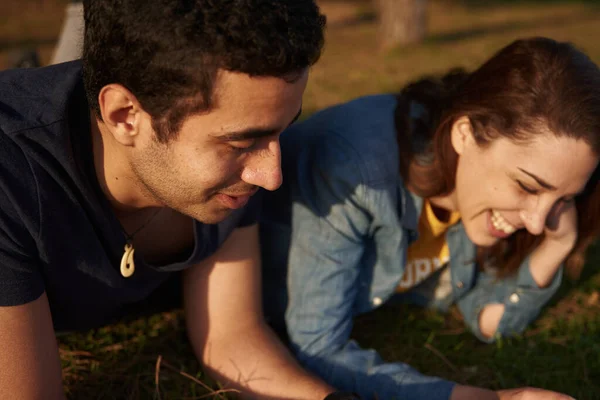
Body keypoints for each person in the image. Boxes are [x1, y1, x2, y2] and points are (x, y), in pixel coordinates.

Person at [0, 1, 359, 399]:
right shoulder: (11, 176)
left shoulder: (234, 165)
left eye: (280, 133)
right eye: (241, 142)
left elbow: (232, 337)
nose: (271, 176)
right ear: (125, 116)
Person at [260, 37, 599, 400]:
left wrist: (557, 245)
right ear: (464, 134)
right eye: (527, 186)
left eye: (564, 199)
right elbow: (317, 348)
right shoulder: (355, 175)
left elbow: (488, 319)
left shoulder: (474, 197)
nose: (537, 222)